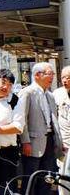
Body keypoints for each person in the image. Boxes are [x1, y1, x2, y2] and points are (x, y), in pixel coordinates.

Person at [20, 62, 64, 195]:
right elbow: (22, 120)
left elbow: (54, 121)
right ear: (37, 75)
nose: (52, 77)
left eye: (53, 74)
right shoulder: (27, 93)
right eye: (49, 74)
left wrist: (59, 142)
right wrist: (25, 141)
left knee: (47, 178)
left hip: (50, 142)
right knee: (30, 179)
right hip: (33, 143)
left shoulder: (50, 95)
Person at [54, 66, 70, 195]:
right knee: (63, 176)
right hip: (64, 143)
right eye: (63, 77)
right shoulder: (57, 94)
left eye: (68, 77)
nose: (65, 80)